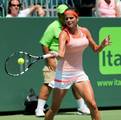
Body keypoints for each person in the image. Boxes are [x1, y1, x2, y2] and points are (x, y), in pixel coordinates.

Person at [44, 8, 111, 120]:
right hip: (63, 75)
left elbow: (95, 49)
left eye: (71, 18)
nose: (69, 20)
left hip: (79, 74)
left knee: (93, 105)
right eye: (66, 19)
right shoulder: (63, 34)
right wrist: (55, 54)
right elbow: (61, 54)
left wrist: (103, 45)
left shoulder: (85, 31)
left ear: (77, 18)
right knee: (54, 108)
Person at [35, 4, 90, 117]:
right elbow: (44, 43)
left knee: (75, 84)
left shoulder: (71, 26)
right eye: (62, 15)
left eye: (66, 14)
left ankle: (81, 106)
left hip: (68, 61)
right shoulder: (53, 26)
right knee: (48, 83)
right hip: (54, 59)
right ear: (59, 15)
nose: (65, 16)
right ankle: (39, 109)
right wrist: (49, 59)